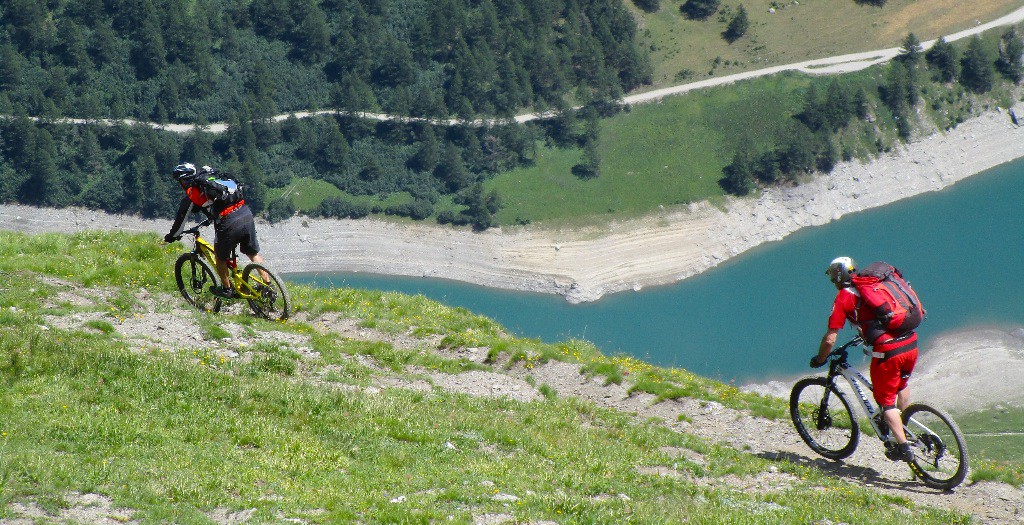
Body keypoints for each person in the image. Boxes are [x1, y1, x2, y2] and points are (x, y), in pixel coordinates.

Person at [812, 256, 919, 463]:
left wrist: (820, 358)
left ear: (838, 276)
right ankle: (905, 428)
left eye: (833, 277)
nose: (833, 282)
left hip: (888, 352)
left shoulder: (844, 296)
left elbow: (831, 337)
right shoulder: (874, 284)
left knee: (885, 402)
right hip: (911, 342)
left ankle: (904, 448)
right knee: (901, 386)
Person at [164, 162, 266, 299]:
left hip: (229, 221)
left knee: (220, 257)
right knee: (252, 252)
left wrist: (172, 236)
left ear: (184, 180)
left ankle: (227, 289)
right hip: (245, 213)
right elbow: (217, 204)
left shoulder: (193, 193)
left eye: (180, 181)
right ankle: (268, 285)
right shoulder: (212, 179)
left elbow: (181, 219)